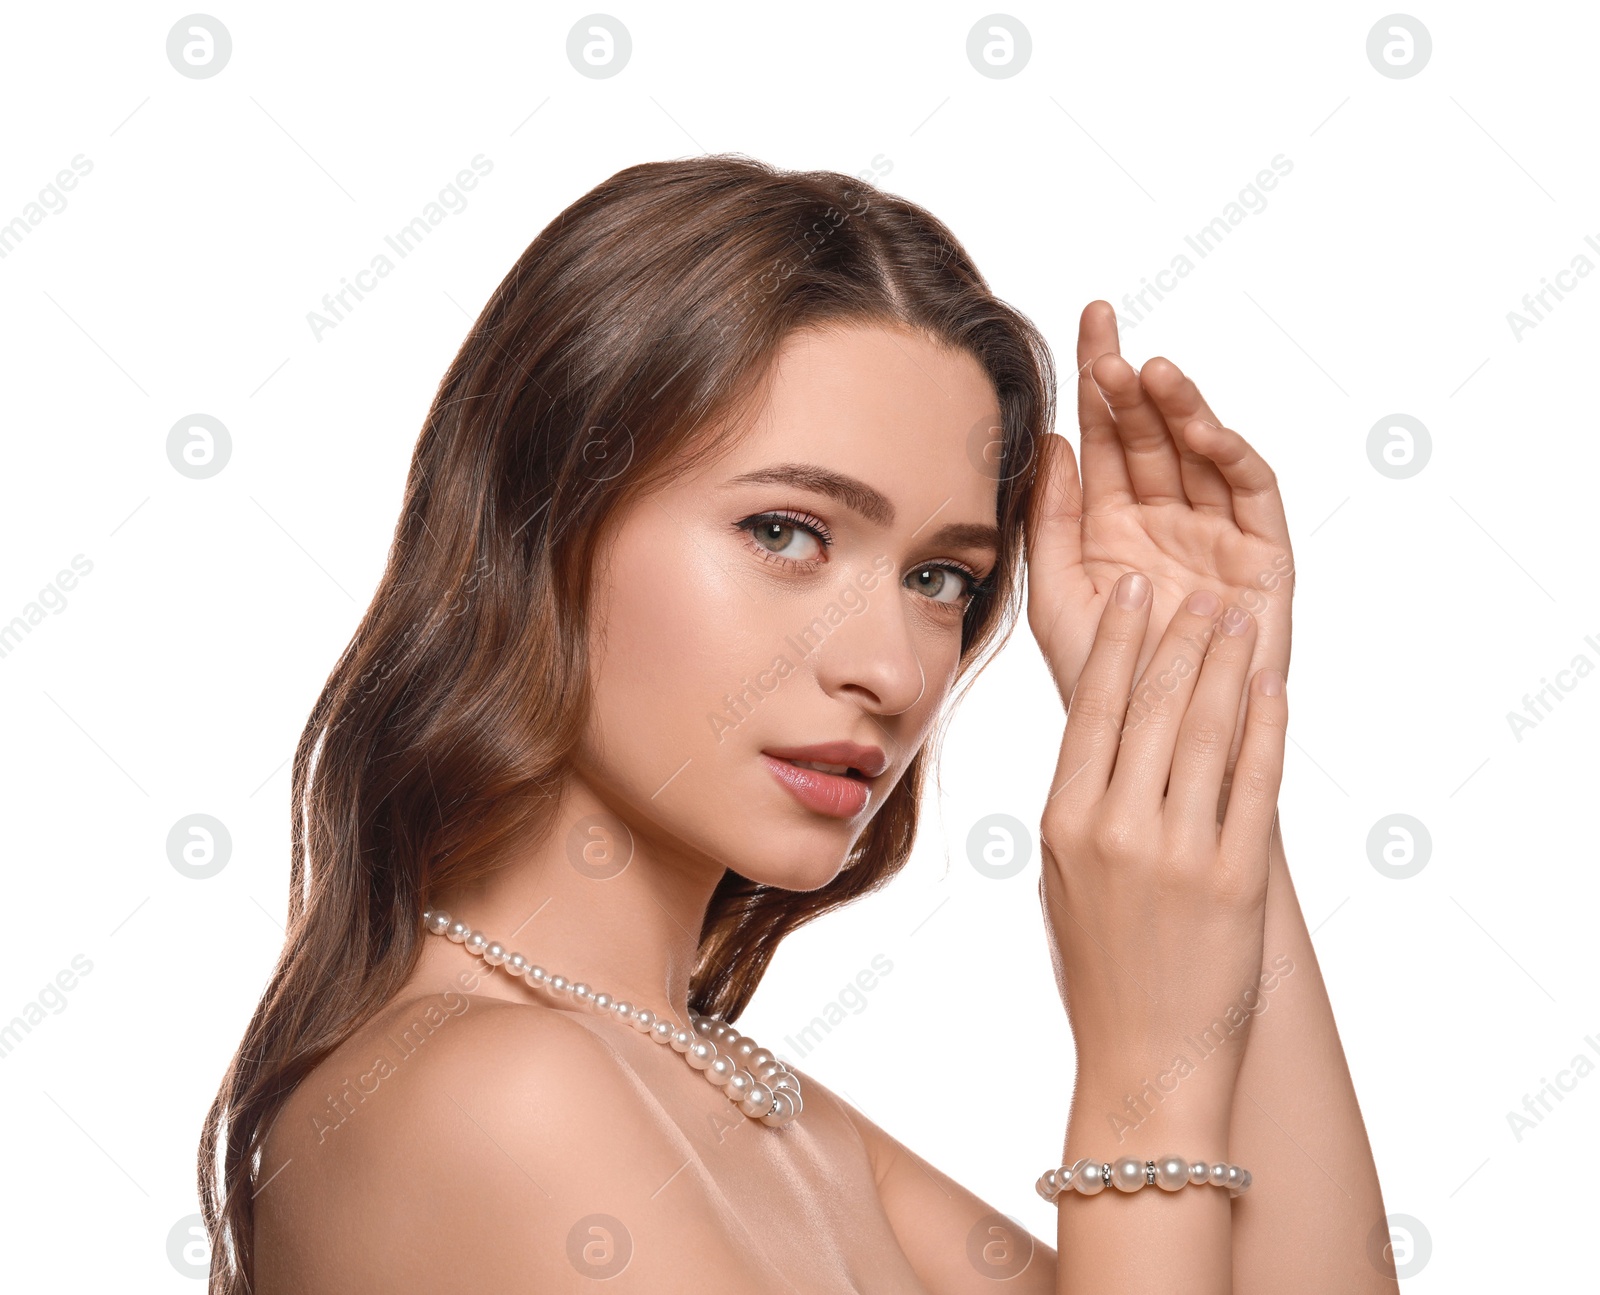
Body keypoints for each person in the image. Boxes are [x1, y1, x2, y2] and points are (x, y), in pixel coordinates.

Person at [199, 155, 1393, 1292]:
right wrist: (1145, 1070)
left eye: (942, 579)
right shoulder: (488, 1096)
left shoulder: (769, 1114)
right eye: (786, 531)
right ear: (541, 524)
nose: (888, 667)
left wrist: (1197, 719)